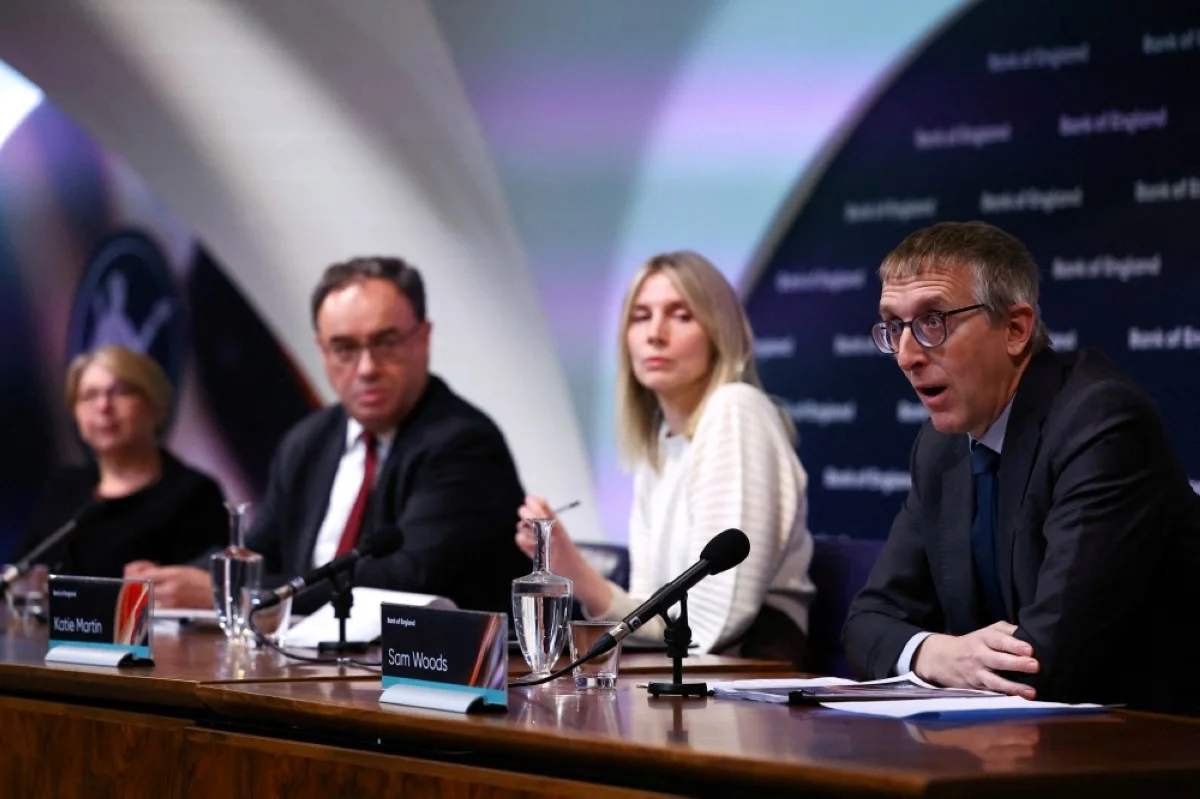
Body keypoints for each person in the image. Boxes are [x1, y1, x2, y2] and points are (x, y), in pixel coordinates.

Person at [843, 221, 1200, 715]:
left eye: (933, 322)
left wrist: (952, 658)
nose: (906, 355)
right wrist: (937, 652)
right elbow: (867, 622)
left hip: (1151, 744)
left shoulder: (1101, 423)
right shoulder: (940, 448)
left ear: (1015, 329)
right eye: (894, 326)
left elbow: (1050, 658)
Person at [132, 256, 529, 614]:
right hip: (307, 663)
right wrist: (177, 579)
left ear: (424, 338)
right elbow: (260, 551)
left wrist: (236, 594)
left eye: (386, 342)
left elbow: (404, 582)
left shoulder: (463, 444)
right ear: (321, 351)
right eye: (344, 348)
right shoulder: (310, 440)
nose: (366, 367)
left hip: (428, 675)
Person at [517, 251, 815, 665]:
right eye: (640, 317)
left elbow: (712, 627)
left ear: (719, 332)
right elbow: (652, 617)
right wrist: (570, 565)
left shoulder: (736, 409)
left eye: (681, 315)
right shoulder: (659, 442)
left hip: (746, 676)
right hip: (688, 673)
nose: (655, 334)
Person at [15, 345, 227, 581]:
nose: (103, 406)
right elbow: (20, 573)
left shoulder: (194, 494)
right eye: (89, 396)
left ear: (155, 407)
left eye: (120, 392)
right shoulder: (63, 488)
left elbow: (201, 591)